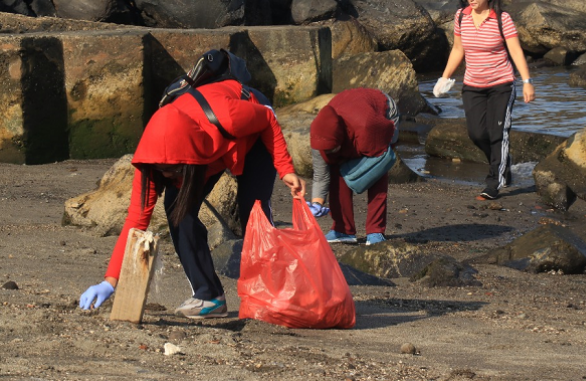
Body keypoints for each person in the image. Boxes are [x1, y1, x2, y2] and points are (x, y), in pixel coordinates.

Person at [78, 78, 305, 318]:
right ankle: (209, 296)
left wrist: (286, 168)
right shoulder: (152, 162)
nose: (166, 176)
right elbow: (135, 220)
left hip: (253, 134)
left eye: (172, 172)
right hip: (203, 154)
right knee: (178, 211)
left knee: (254, 213)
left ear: (188, 163)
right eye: (161, 171)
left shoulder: (229, 116)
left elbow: (267, 116)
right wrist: (110, 281)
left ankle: (272, 290)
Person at [437, 0, 536, 200]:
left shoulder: (502, 19)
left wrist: (527, 81)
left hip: (501, 85)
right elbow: (458, 49)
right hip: (473, 85)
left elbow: (515, 51)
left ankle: (494, 182)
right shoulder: (461, 16)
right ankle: (502, 161)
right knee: (476, 133)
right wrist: (445, 77)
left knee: (497, 133)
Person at [309, 88, 399, 245]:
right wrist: (316, 204)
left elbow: (383, 156)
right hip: (352, 112)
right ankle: (342, 229)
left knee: (376, 172)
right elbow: (321, 175)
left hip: (384, 114)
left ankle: (376, 231)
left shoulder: (367, 128)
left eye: (331, 149)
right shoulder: (319, 138)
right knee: (336, 170)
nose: (327, 152)